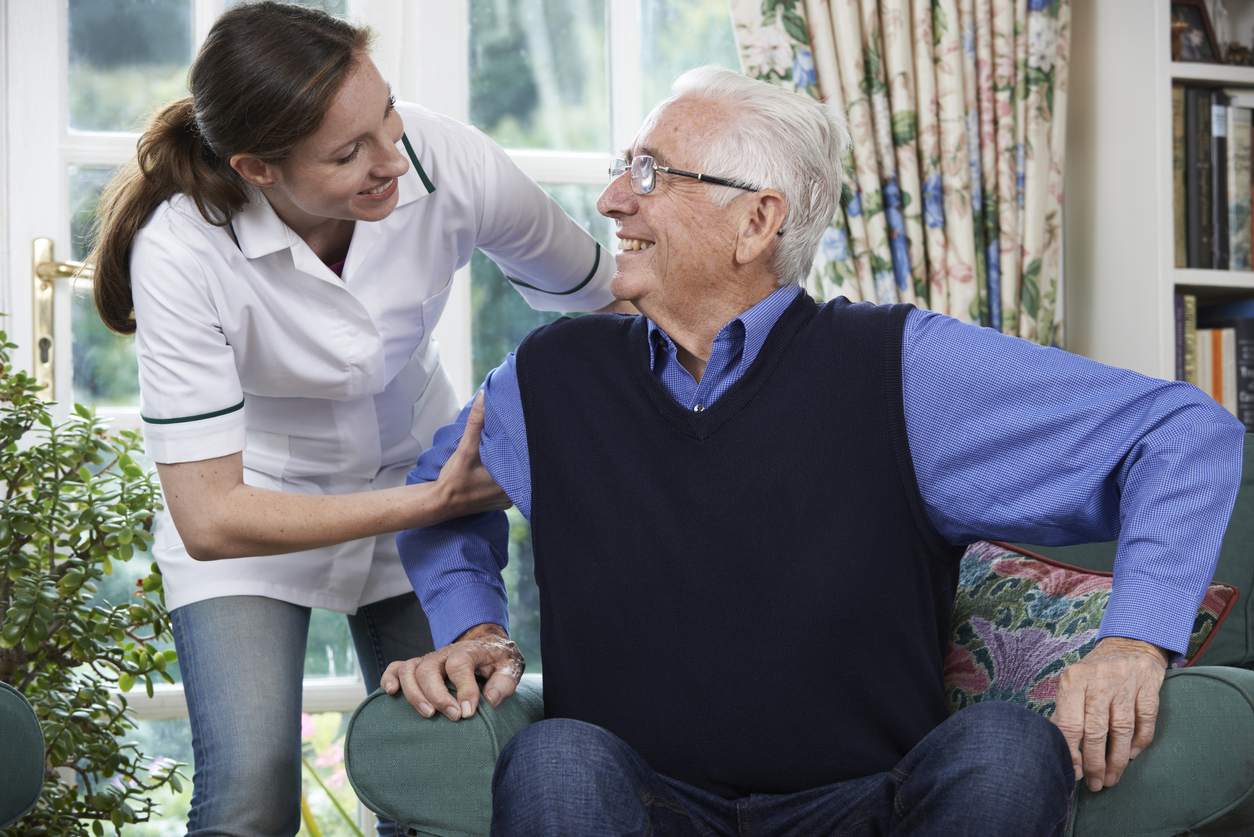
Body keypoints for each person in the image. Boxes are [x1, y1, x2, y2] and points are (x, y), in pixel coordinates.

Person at [382, 66, 1245, 836]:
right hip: (642, 802)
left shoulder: (906, 366)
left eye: (649, 174)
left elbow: (1183, 432)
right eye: (619, 168)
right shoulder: (552, 373)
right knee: (556, 756)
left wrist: (1134, 640)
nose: (611, 200)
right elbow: (439, 489)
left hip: (873, 803)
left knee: (1010, 748)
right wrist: (474, 626)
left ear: (755, 221)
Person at [87, 3, 619, 835]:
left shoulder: (443, 158)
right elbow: (211, 517)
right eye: (348, 153)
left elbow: (605, 304)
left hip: (416, 469)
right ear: (259, 167)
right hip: (258, 506)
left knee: (442, 778)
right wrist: (434, 500)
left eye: (388, 115)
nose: (392, 160)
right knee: (248, 793)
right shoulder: (182, 248)